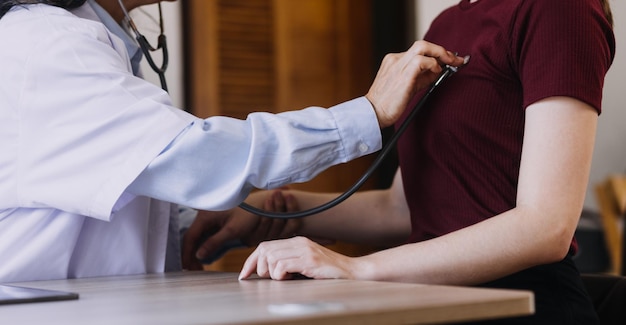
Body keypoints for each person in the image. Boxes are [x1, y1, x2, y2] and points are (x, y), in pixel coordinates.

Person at [182, 0, 616, 324]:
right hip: (428, 303)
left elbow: (546, 227)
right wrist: (280, 212)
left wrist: (356, 268)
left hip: (523, 304)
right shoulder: (448, 24)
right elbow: (404, 208)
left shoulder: (560, 9)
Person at [0, 0, 465, 282]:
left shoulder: (76, 42)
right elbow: (195, 158)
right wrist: (367, 113)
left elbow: (100, 198)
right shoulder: (48, 46)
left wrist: (201, 224)